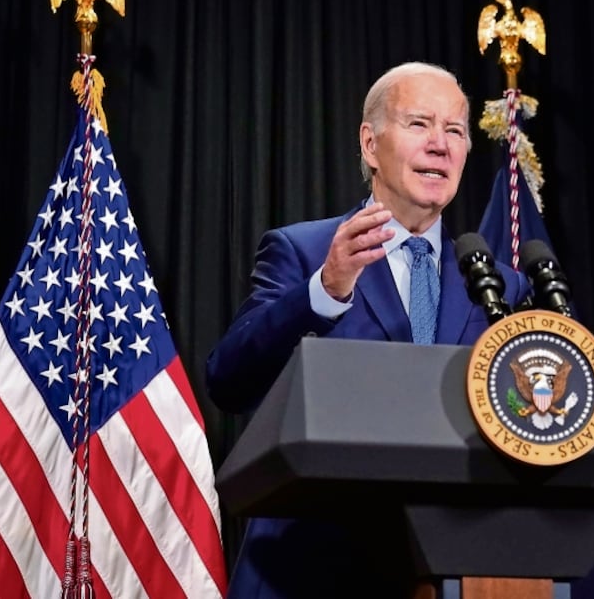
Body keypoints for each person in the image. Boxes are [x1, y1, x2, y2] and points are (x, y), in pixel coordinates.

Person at [206, 61, 532, 598]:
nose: (439, 144)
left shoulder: (498, 284)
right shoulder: (305, 252)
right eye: (419, 124)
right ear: (369, 143)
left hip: (456, 567)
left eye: (454, 130)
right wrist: (324, 290)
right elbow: (229, 380)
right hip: (311, 572)